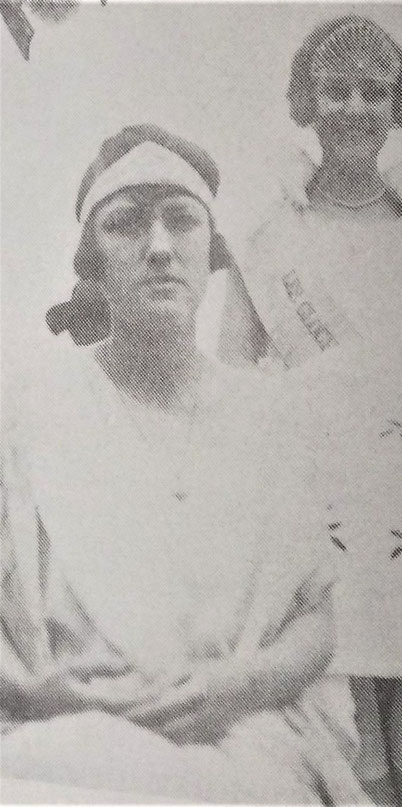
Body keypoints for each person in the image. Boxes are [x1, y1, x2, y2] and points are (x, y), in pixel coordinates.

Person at [1, 125, 365, 804]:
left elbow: (316, 618)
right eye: (126, 225)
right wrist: (31, 690)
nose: (159, 247)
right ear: (94, 266)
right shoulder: (27, 410)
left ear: (211, 253)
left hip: (243, 731)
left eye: (181, 220)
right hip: (64, 736)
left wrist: (237, 686)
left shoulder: (271, 417)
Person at [217, 16, 402, 806]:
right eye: (335, 89)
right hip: (319, 498)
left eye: (375, 92)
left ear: (397, 106)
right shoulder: (268, 231)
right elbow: (230, 378)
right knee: (358, 725)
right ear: (306, 100)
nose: (354, 108)